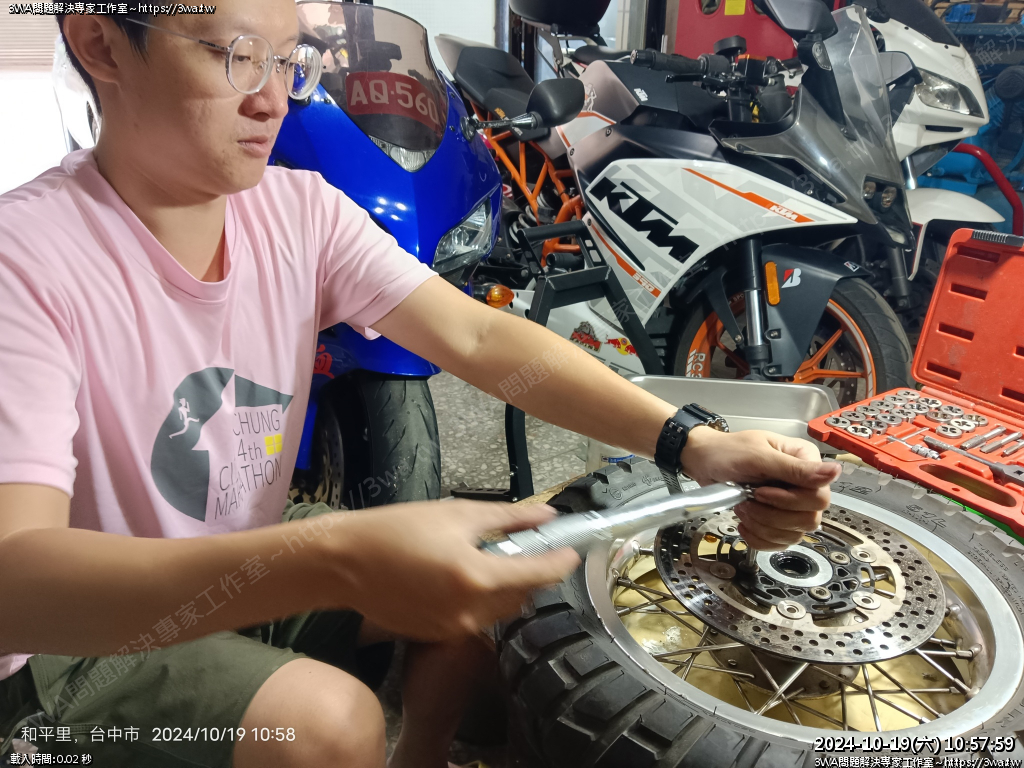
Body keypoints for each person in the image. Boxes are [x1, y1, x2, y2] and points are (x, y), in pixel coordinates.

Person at [0, 2, 842, 767]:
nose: (274, 99)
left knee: (502, 574)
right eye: (237, 56)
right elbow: (16, 585)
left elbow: (478, 336)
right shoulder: (26, 262)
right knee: (329, 723)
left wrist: (691, 443)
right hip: (67, 650)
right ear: (100, 45)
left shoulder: (299, 213)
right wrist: (334, 558)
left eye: (291, 62)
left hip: (233, 544)